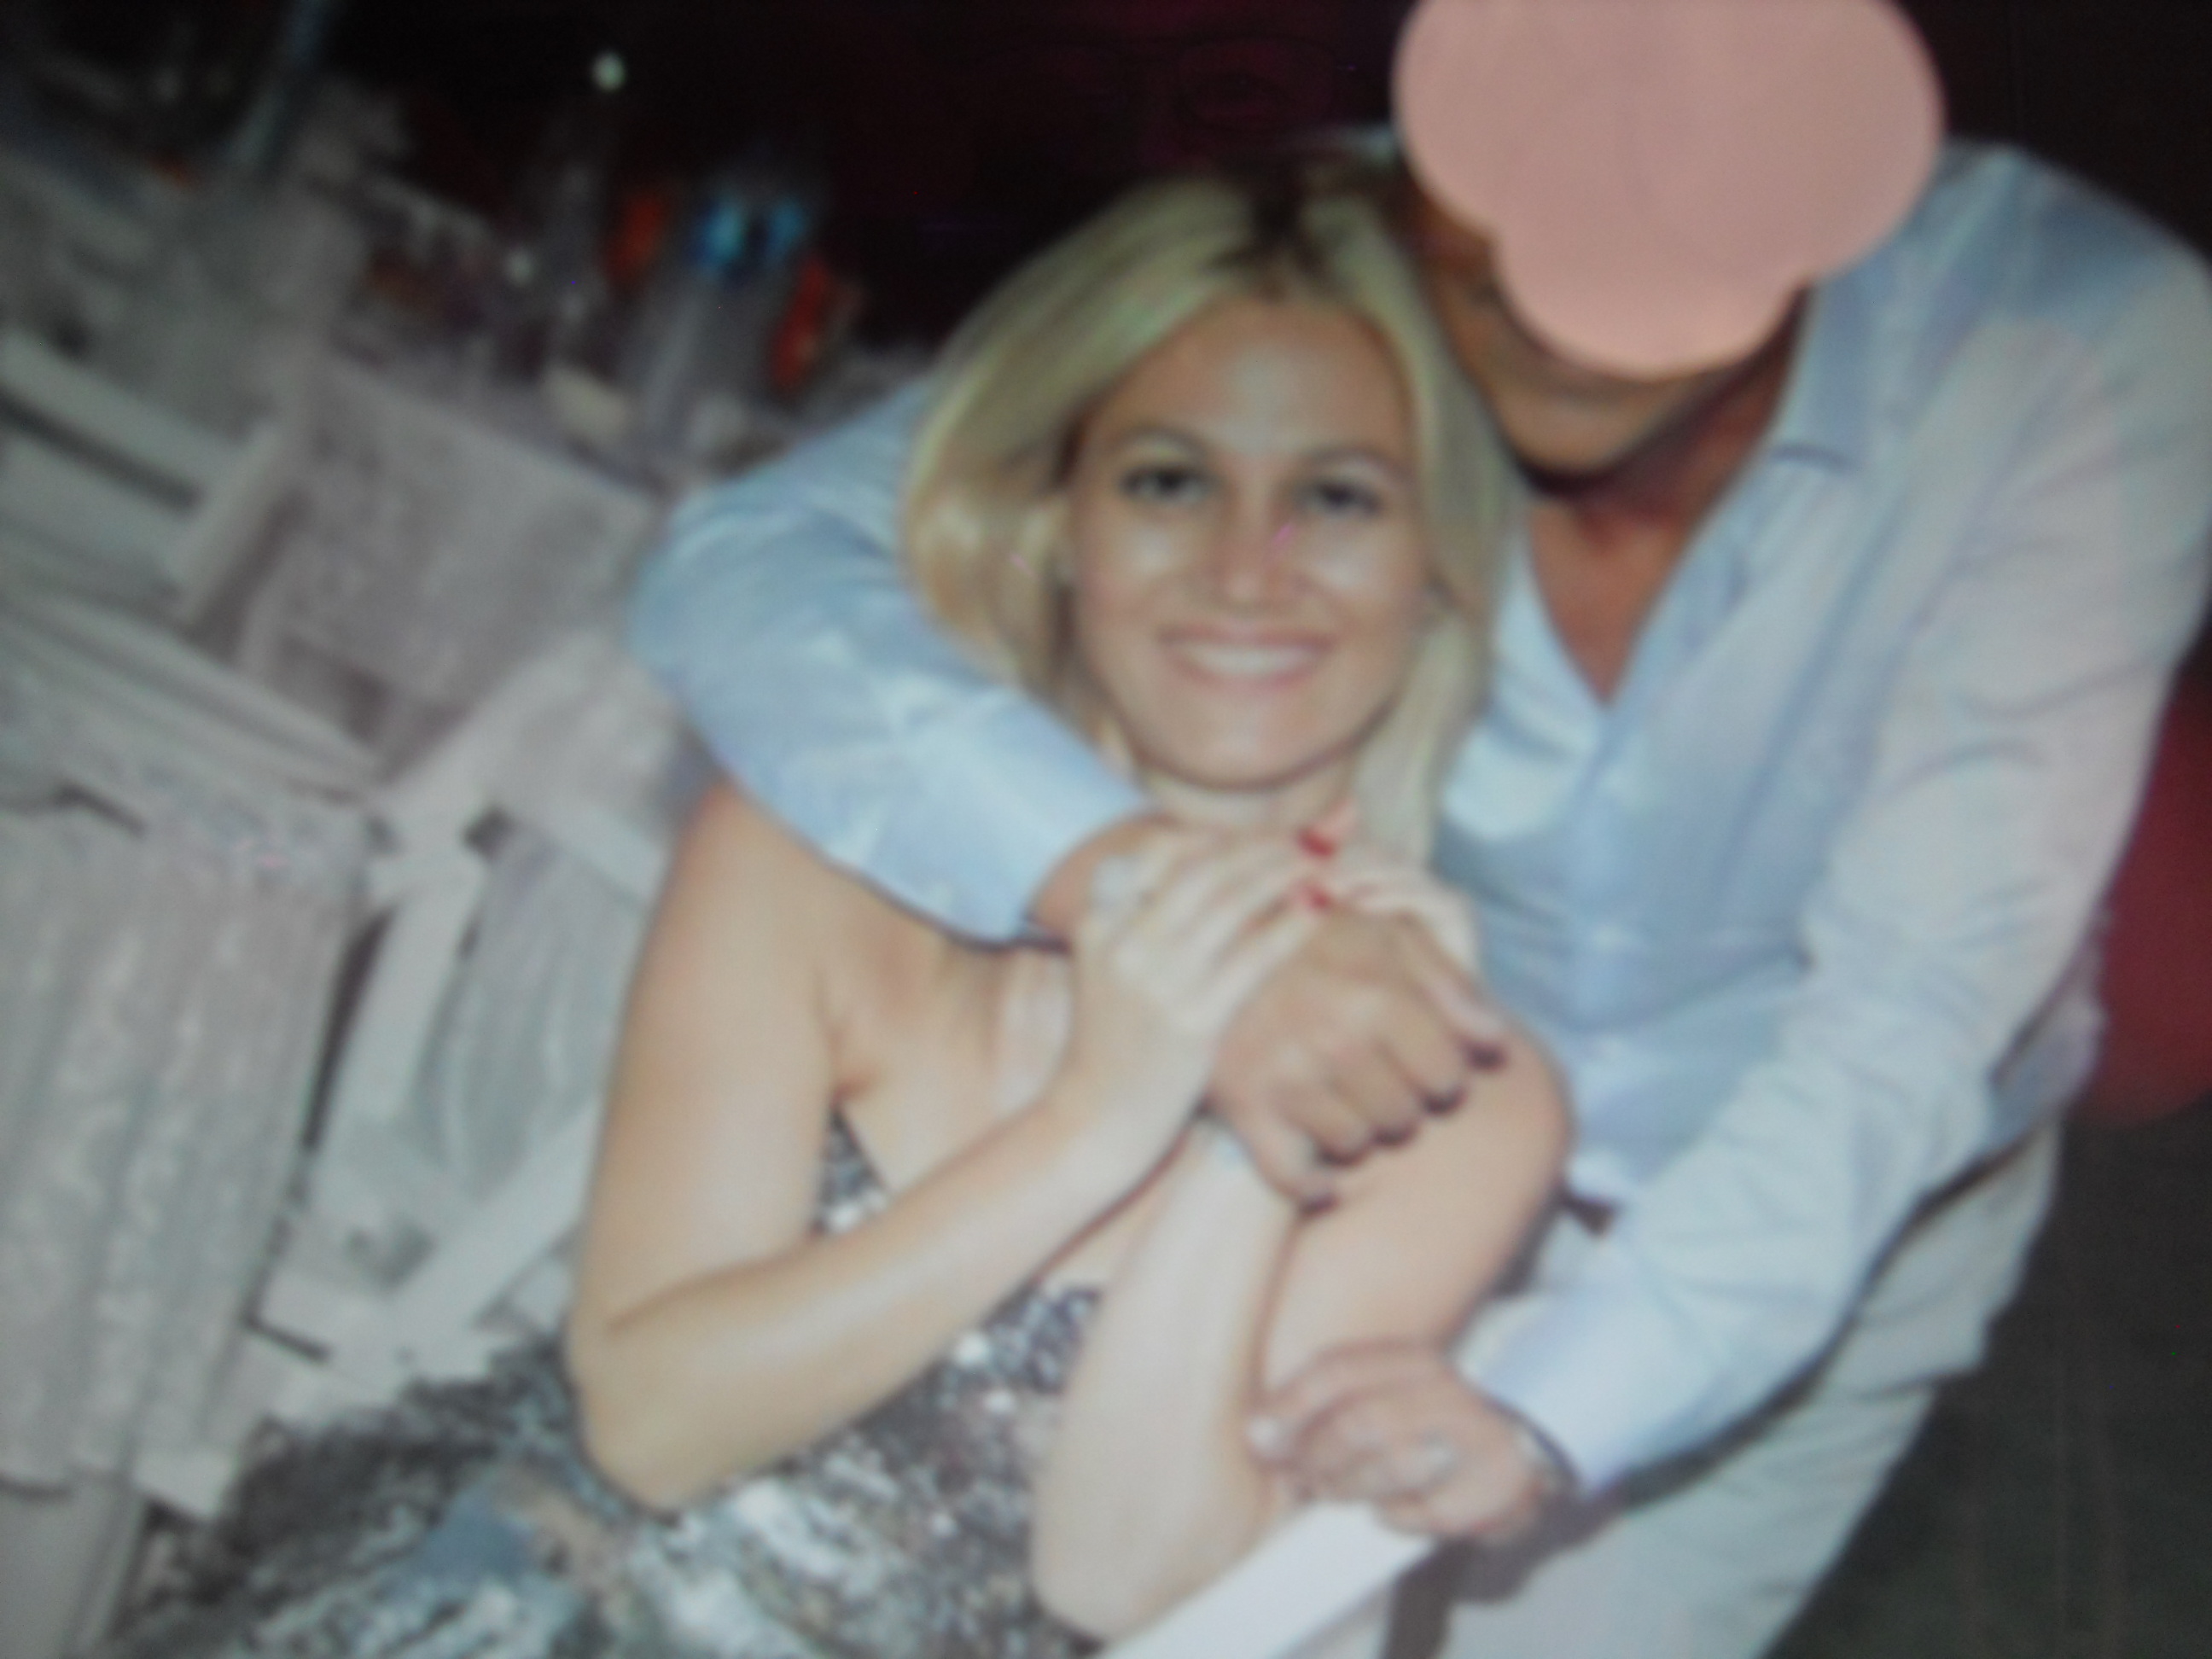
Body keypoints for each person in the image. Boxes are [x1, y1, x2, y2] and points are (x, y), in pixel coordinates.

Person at [626, 2, 2212, 1654]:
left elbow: (1905, 1022)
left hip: (1788, 1240)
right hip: (1366, 1117)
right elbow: (752, 570)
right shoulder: (1355, 235)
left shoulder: (2071, 343)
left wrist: (1553, 1413)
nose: (1556, 302)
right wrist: (1137, 889)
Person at [95, 167, 1564, 1659]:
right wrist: (1097, 1125)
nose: (1249, 569)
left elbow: (1116, 1578)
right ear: (1060, 529)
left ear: (1437, 575)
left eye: (1337, 498)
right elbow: (652, 1428)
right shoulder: (816, 847)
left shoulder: (1467, 1096)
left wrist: (1258, 1122)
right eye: (1168, 482)